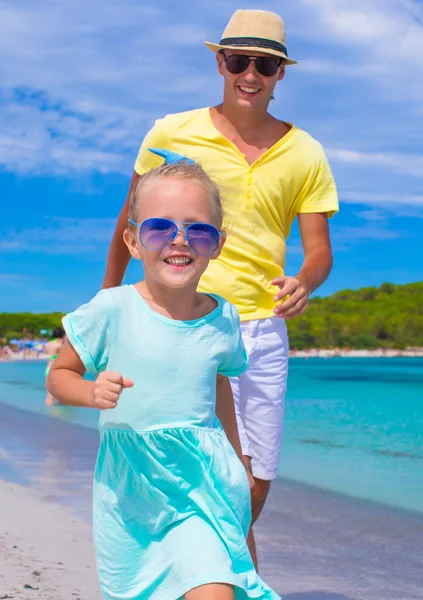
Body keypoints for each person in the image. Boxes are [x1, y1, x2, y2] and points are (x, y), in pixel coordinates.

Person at [101, 9, 339, 567]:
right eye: (239, 61)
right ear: (220, 63)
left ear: (282, 74)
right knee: (199, 464)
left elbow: (320, 250)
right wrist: (109, 301)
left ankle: (191, 559)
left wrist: (304, 281)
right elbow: (128, 222)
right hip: (181, 319)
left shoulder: (306, 151)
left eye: (265, 64)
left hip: (261, 330)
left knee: (255, 481)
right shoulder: (171, 132)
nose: (250, 74)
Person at [47, 160, 280, 600]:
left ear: (218, 244)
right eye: (159, 228)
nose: (179, 240)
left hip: (203, 480)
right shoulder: (110, 309)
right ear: (133, 241)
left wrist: (240, 461)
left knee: (212, 584)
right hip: (133, 486)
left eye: (198, 231)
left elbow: (220, 387)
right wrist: (91, 392)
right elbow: (60, 376)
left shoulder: (222, 317)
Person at [44, 326, 65, 406]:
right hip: (56, 370)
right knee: (55, 395)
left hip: (48, 369)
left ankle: (49, 415)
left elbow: (46, 352)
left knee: (50, 394)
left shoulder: (48, 344)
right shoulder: (59, 345)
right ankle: (53, 417)